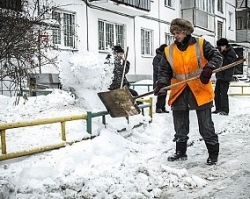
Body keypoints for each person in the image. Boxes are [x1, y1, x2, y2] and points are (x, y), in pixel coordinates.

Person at [154, 18, 223, 165]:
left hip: (199, 89)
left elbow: (217, 56)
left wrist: (209, 67)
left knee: (205, 126)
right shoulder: (169, 50)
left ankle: (213, 153)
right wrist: (161, 83)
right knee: (180, 125)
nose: (175, 36)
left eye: (178, 32)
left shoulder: (201, 44)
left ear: (185, 32)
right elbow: (164, 70)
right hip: (179, 90)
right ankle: (180, 152)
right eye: (174, 33)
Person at [212, 38, 237, 116]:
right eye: (219, 46)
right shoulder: (219, 50)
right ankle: (218, 108)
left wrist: (221, 54)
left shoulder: (231, 52)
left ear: (225, 46)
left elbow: (226, 63)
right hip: (220, 75)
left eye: (222, 46)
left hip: (226, 76)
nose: (220, 48)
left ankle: (225, 110)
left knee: (223, 93)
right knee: (216, 93)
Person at [153, 44, 169, 113]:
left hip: (164, 78)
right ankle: (158, 107)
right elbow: (156, 67)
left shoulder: (164, 57)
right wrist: (163, 71)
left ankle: (163, 107)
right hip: (158, 78)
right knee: (161, 93)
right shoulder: (158, 57)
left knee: (164, 93)